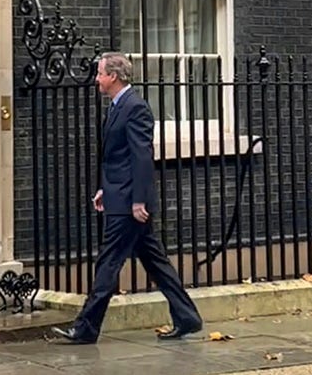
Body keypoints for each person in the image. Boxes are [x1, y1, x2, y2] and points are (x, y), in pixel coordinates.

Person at [51, 52, 203, 344]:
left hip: (128, 205)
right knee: (156, 262)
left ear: (113, 76)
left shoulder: (135, 108)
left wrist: (138, 201)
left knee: (108, 263)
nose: (96, 79)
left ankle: (85, 329)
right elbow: (116, 159)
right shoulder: (117, 107)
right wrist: (104, 190)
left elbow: (142, 158)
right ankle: (187, 317)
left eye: (99, 74)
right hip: (119, 196)